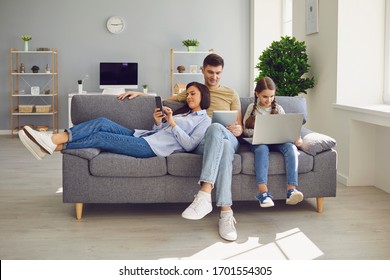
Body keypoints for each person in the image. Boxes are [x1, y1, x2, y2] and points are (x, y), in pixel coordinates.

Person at [120, 53, 242, 241]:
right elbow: (167, 100)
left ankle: (205, 195)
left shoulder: (231, 93)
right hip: (203, 141)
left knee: (218, 131)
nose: (214, 77)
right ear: (203, 70)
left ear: (222, 72)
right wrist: (141, 94)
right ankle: (226, 214)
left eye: (218, 73)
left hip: (227, 134)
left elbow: (239, 124)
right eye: (210, 72)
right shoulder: (192, 92)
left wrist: (238, 128)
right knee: (222, 146)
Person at [19, 82, 211, 160]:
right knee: (102, 122)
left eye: (192, 94)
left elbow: (190, 145)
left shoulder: (204, 120)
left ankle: (50, 142)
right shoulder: (183, 112)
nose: (188, 97)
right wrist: (158, 122)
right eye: (187, 94)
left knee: (102, 137)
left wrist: (173, 123)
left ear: (203, 95)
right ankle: (51, 142)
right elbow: (160, 131)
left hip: (150, 148)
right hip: (144, 136)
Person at [242, 76, 304, 208]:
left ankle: (291, 190)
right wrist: (260, 132)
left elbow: (287, 128)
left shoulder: (279, 109)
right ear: (257, 93)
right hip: (260, 141)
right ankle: (263, 193)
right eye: (265, 96)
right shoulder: (251, 108)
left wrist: (295, 138)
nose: (268, 100)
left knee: (291, 148)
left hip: (278, 140)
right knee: (262, 149)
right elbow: (245, 131)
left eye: (271, 96)